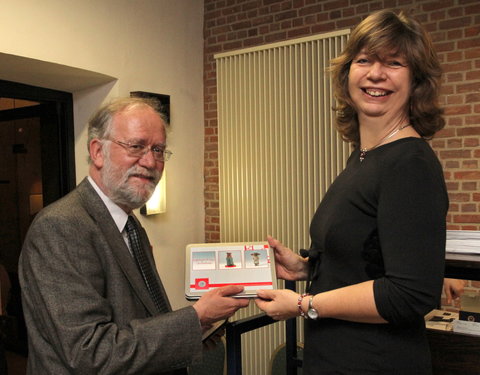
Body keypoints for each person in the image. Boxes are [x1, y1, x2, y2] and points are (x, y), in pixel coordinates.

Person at [255, 9, 448, 374]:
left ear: (416, 81)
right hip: (334, 357)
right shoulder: (362, 158)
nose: (376, 73)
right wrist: (306, 267)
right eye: (365, 60)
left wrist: (303, 304)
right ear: (347, 75)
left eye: (394, 63)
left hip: (375, 362)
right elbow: (368, 260)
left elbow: (409, 295)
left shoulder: (409, 164)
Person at [19, 97, 249, 374]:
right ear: (98, 152)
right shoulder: (60, 227)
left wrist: (199, 328)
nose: (150, 161)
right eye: (136, 146)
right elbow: (91, 353)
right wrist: (194, 318)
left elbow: (141, 320)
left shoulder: (130, 225)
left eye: (159, 150)